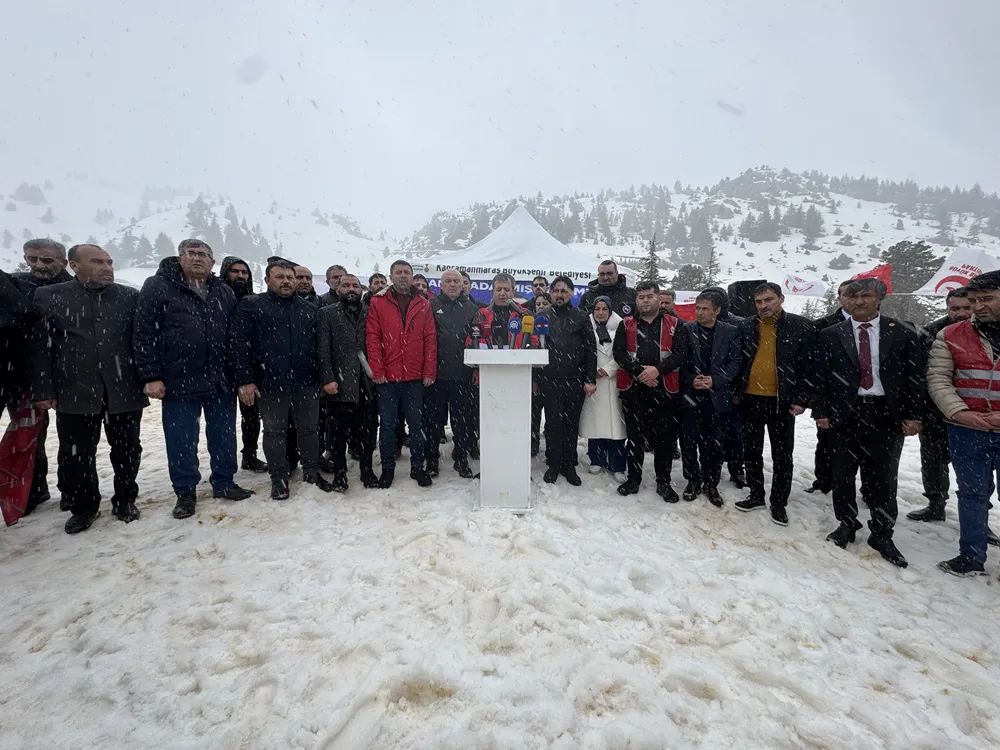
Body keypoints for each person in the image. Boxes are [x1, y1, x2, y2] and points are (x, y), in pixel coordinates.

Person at [29, 244, 148, 534]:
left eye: (109, 262)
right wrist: (43, 389)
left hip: (123, 388)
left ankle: (125, 500)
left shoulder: (129, 297)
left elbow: (142, 341)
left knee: (127, 449)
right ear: (74, 265)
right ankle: (84, 507)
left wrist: (149, 377)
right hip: (74, 390)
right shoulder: (49, 296)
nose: (106, 267)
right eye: (97, 262)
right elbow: (40, 347)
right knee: (77, 454)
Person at [134, 239, 253, 519]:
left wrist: (240, 377)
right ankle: (185, 492)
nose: (197, 258)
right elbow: (143, 333)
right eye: (191, 253)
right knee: (181, 440)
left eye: (203, 254)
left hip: (220, 379)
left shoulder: (223, 291)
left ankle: (224, 482)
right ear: (180, 258)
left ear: (212, 262)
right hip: (179, 379)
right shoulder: (159, 286)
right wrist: (151, 375)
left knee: (224, 436)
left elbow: (234, 337)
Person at [812, 278, 923, 568]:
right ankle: (847, 523)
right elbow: (820, 376)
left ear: (879, 298)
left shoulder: (902, 332)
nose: (859, 301)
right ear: (845, 300)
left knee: (884, 478)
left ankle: (882, 533)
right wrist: (821, 411)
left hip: (886, 414)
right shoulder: (830, 334)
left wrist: (914, 415)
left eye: (866, 296)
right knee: (842, 475)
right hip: (844, 415)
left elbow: (914, 377)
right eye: (853, 297)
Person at [231, 260, 334, 498]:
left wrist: (323, 377)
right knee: (274, 431)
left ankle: (311, 470)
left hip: (306, 381)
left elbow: (320, 347)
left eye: (290, 277)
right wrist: (245, 379)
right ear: (268, 280)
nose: (286, 281)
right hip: (270, 382)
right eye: (280, 277)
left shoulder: (308, 309)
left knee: (309, 429)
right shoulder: (252, 306)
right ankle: (278, 477)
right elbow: (239, 344)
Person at [928, 271, 1000, 575]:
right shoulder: (951, 335)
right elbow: (938, 378)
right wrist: (959, 413)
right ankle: (971, 555)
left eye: (987, 299)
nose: (978, 306)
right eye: (974, 300)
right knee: (971, 494)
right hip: (966, 429)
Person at [733, 283, 815, 525]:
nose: (763, 305)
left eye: (768, 300)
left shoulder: (800, 326)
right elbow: (739, 361)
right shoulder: (746, 326)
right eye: (758, 302)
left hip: (782, 401)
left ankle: (779, 502)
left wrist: (801, 399)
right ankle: (756, 494)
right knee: (751, 451)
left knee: (782, 455)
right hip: (749, 398)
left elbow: (808, 367)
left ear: (781, 298)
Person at [9, 238, 73, 513]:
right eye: (31, 259)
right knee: (29, 437)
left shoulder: (76, 288)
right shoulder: (15, 285)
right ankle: (34, 491)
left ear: (63, 262)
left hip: (69, 371)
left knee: (72, 437)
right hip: (20, 373)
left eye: (46, 260)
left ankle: (72, 490)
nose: (38, 265)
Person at [366, 259, 437, 488]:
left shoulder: (423, 303)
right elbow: (373, 338)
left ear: (412, 276)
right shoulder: (378, 302)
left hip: (415, 376)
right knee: (387, 425)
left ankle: (418, 467)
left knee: (416, 425)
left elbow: (430, 339)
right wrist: (377, 370)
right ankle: (388, 469)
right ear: (391, 276)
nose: (403, 276)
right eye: (399, 272)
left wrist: (429, 370)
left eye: (407, 272)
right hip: (387, 377)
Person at [909, 288, 977, 523]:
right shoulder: (931, 333)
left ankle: (977, 515)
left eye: (967, 307)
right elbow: (918, 374)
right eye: (955, 308)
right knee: (933, 461)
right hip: (934, 411)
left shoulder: (989, 332)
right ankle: (935, 504)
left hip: (976, 413)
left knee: (973, 467)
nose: (961, 313)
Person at [613, 281, 685, 501]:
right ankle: (634, 479)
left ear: (658, 298)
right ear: (636, 300)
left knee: (664, 441)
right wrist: (639, 371)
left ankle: (663, 483)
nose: (645, 301)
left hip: (665, 390)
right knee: (634, 439)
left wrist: (657, 370)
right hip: (634, 390)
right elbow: (619, 353)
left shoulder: (675, 324)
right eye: (641, 297)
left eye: (649, 296)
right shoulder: (626, 324)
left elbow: (680, 354)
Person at [678, 290, 741, 507]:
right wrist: (691, 379)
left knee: (714, 444)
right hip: (690, 396)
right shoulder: (686, 329)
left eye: (705, 309)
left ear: (717, 310)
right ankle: (692, 480)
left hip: (717, 397)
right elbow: (679, 361)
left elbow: (735, 363)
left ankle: (711, 482)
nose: (700, 312)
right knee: (688, 442)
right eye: (697, 308)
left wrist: (715, 380)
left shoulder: (730, 332)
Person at [317, 273, 379, 490]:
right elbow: (323, 349)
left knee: (367, 431)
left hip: (367, 382)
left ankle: (367, 470)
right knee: (337, 433)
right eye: (346, 285)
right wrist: (327, 378)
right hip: (339, 384)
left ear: (361, 289)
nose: (351, 289)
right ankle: (340, 473)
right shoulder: (326, 313)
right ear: (337, 288)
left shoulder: (371, 312)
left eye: (355, 285)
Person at [536, 275, 597, 484]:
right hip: (549, 379)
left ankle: (569, 465)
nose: (559, 295)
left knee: (571, 424)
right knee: (553, 424)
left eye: (564, 291)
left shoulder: (581, 316)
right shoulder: (542, 316)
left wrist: (590, 379)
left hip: (574, 380)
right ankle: (553, 464)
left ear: (571, 294)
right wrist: (536, 380)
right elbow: (535, 349)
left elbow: (590, 350)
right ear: (551, 293)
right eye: (556, 291)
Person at [424, 269, 479, 478]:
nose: (453, 284)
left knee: (462, 420)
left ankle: (461, 457)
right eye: (448, 281)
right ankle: (431, 458)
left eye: (457, 281)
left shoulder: (472, 308)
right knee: (433, 420)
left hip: (462, 375)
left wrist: (475, 368)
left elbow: (477, 341)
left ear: (463, 285)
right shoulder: (429, 305)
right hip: (435, 374)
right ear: (441, 285)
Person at [220, 256, 268, 473]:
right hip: (220, 367)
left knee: (251, 415)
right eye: (234, 271)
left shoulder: (252, 301)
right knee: (223, 421)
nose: (240, 276)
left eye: (244, 272)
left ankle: (249, 455)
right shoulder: (217, 298)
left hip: (248, 366)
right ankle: (223, 466)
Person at [808, 280, 855, 495]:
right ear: (839, 298)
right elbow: (814, 366)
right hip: (833, 397)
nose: (853, 300)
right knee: (827, 442)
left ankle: (869, 491)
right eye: (848, 294)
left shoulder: (884, 327)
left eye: (859, 295)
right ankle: (824, 481)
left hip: (868, 399)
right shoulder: (822, 326)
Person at [702, 285, 746, 486]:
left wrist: (737, 387)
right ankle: (712, 468)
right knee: (711, 434)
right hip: (706, 388)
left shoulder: (738, 324)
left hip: (731, 388)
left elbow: (741, 360)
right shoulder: (699, 324)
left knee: (735, 432)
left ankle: (737, 469)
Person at [579, 298, 626, 480]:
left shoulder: (621, 327)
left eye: (605, 309)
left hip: (613, 382)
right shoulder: (586, 327)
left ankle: (617, 464)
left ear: (610, 311)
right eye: (597, 309)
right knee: (596, 423)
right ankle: (596, 459)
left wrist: (607, 370)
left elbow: (625, 353)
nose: (600, 312)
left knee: (616, 427)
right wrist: (591, 371)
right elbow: (582, 353)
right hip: (593, 383)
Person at [530, 292, 553, 455]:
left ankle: (551, 449)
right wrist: (534, 379)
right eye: (538, 304)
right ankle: (532, 444)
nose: (541, 307)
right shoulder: (531, 324)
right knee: (533, 415)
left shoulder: (556, 323)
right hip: (535, 377)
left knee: (552, 416)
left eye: (545, 303)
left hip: (554, 376)